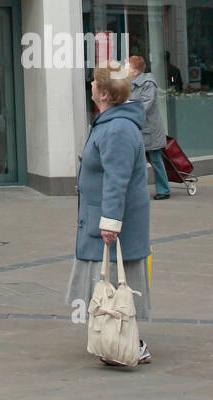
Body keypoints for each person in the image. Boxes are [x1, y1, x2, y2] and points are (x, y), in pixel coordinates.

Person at [67, 64, 152, 364]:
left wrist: (110, 223)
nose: (90, 84)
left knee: (115, 286)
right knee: (110, 284)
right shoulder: (111, 123)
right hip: (100, 218)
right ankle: (117, 340)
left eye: (94, 82)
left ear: (103, 94)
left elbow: (117, 180)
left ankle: (130, 344)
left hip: (110, 224)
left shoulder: (116, 128)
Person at [126, 54, 170, 200]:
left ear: (135, 71)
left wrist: (127, 108)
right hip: (139, 128)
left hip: (149, 129)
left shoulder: (148, 83)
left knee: (156, 159)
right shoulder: (130, 82)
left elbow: (145, 105)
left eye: (128, 66)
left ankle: (164, 190)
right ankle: (138, 191)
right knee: (138, 161)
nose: (125, 68)